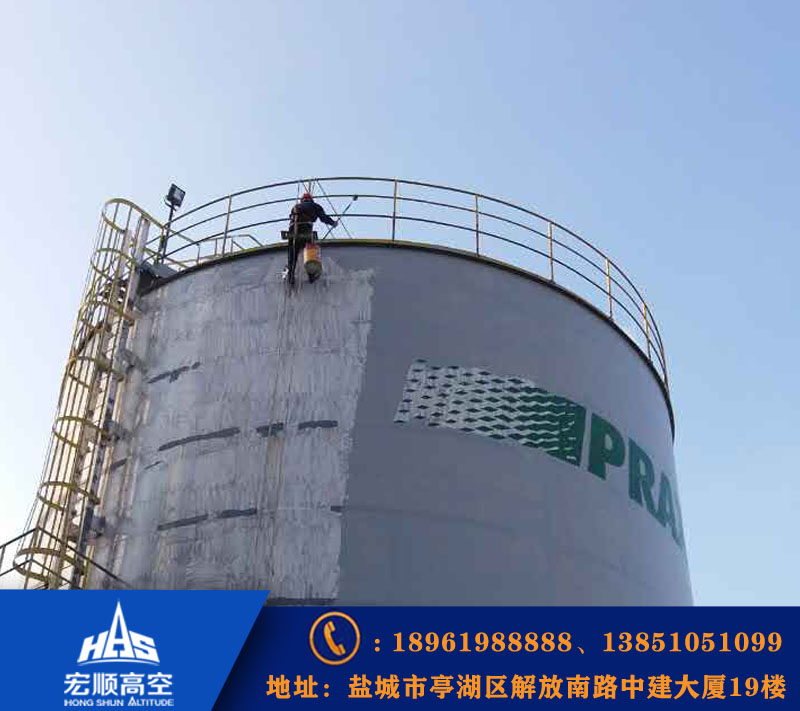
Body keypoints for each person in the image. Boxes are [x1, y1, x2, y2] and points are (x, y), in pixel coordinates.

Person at [283, 193, 337, 286]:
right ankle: (311, 275)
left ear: (302, 200)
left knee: (293, 254)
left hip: (293, 230)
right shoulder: (315, 206)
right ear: (311, 199)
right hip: (306, 229)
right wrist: (333, 223)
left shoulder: (296, 207)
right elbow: (323, 218)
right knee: (310, 250)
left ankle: (291, 276)